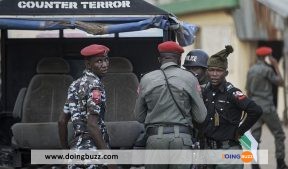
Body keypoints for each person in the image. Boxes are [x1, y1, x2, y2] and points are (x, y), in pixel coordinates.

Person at [134, 41, 207, 169]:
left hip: (155, 139)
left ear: (159, 59)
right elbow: (200, 116)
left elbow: (139, 116)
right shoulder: (190, 78)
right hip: (182, 139)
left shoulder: (146, 79)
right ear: (179, 60)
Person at [202, 45, 262, 169]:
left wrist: (240, 131)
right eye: (211, 70)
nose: (214, 74)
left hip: (229, 152)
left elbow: (256, 111)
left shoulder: (232, 93)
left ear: (226, 73)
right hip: (209, 152)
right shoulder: (205, 91)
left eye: (218, 71)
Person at [58, 44, 117, 169]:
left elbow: (62, 121)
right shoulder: (96, 86)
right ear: (88, 64)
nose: (105, 64)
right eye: (99, 61)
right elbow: (92, 125)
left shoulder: (75, 84)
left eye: (106, 59)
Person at [246, 46, 288, 169]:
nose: (271, 58)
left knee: (254, 138)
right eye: (270, 56)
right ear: (267, 57)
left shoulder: (251, 70)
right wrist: (276, 66)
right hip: (267, 108)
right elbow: (281, 82)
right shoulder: (267, 70)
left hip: (254, 108)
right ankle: (280, 164)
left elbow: (248, 90)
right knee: (279, 134)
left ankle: (254, 166)